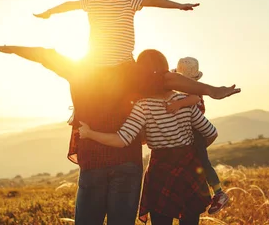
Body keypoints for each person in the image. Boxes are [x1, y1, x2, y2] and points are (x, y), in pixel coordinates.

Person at [0, 42, 238, 225]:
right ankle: (215, 192)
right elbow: (174, 87)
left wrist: (10, 48)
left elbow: (45, 54)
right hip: (141, 163)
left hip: (105, 162)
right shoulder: (140, 79)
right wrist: (210, 92)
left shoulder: (86, 73)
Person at [79, 49, 218, 225]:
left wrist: (90, 133)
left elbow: (122, 140)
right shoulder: (186, 101)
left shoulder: (143, 106)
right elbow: (211, 133)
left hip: (160, 170)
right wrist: (192, 153)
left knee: (160, 219)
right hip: (189, 169)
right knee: (190, 219)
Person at [165, 57, 229, 214]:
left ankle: (219, 193)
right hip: (189, 129)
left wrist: (177, 105)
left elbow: (193, 100)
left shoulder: (193, 91)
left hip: (196, 131)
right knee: (198, 162)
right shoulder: (185, 90)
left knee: (203, 162)